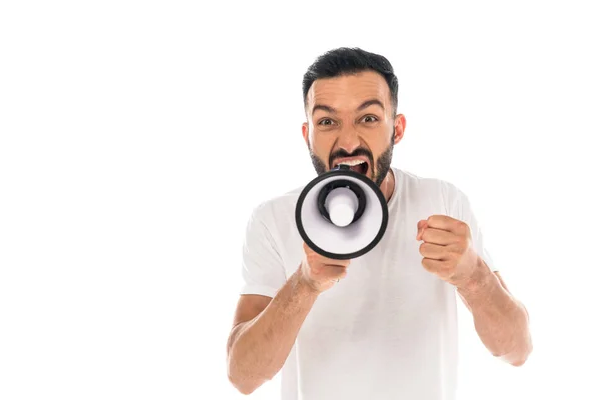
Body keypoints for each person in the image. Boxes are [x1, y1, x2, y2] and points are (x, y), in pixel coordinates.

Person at [226, 47, 532, 400]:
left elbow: (517, 350)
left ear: (397, 128)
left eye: (368, 118)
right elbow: (242, 376)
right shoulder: (273, 218)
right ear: (307, 134)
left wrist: (474, 277)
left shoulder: (444, 202)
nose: (349, 141)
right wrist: (304, 286)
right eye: (327, 122)